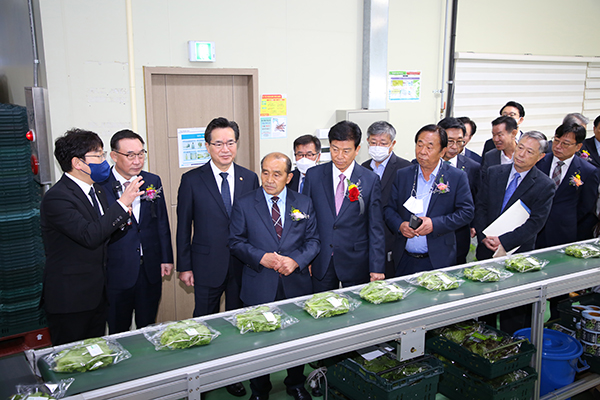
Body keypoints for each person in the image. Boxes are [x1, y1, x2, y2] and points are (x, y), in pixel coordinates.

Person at [176, 117, 258, 398]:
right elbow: (183, 225)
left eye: (231, 142)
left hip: (242, 265)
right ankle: (201, 375)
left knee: (236, 322)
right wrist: (184, 265)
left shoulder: (250, 178)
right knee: (204, 320)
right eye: (219, 143)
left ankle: (231, 374)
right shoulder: (191, 180)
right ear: (207, 146)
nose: (225, 149)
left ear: (237, 143)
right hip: (205, 264)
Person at [40, 128, 143, 345]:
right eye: (98, 155)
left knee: (96, 356)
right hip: (71, 299)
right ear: (78, 163)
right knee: (73, 360)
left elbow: (105, 232)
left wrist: (123, 220)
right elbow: (89, 235)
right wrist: (123, 204)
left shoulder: (94, 191)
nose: (104, 161)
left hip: (97, 294)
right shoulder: (57, 198)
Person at [229, 152, 319, 400]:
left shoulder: (304, 203)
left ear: (289, 177)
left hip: (295, 282)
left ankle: (295, 384)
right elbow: (235, 242)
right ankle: (259, 389)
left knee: (296, 339)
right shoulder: (245, 203)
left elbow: (313, 241)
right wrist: (261, 257)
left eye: (277, 174)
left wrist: (297, 261)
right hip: (260, 282)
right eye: (265, 172)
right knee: (259, 342)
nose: (269, 179)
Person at [101, 129, 174, 334]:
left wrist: (166, 258)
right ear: (114, 156)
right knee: (118, 327)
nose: (137, 160)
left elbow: (161, 222)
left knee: (147, 325)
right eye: (130, 155)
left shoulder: (152, 181)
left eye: (141, 154)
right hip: (117, 270)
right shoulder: (101, 185)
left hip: (149, 267)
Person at [303, 120, 385, 291]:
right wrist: (306, 258)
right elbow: (306, 221)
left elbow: (376, 227)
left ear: (357, 150)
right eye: (334, 149)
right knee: (321, 309)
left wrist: (376, 267)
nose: (339, 156)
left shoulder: (370, 180)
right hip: (321, 259)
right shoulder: (314, 176)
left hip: (356, 261)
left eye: (346, 151)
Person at [384, 124, 474, 275]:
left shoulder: (456, 177)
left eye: (429, 147)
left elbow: (466, 212)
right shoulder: (403, 175)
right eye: (419, 145)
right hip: (404, 258)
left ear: (442, 151)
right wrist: (400, 225)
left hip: (438, 259)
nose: (422, 152)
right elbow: (388, 209)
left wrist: (435, 224)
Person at [474, 131, 555, 261]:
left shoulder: (545, 185)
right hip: (486, 246)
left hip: (517, 250)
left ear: (540, 157)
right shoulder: (494, 172)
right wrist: (483, 235)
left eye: (529, 152)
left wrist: (504, 241)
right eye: (520, 147)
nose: (521, 154)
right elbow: (481, 205)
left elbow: (535, 222)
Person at [361, 121, 412, 277]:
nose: (377, 147)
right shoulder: (363, 168)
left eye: (383, 143)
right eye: (373, 143)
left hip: (393, 237)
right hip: (367, 239)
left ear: (392, 144)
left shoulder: (405, 168)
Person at [536, 123, 599, 248]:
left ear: (578, 147)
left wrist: (566, 217)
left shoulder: (588, 171)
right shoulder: (539, 162)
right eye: (556, 140)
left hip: (564, 231)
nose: (558, 147)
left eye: (565, 144)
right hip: (535, 228)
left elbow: (586, 205)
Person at [438, 117, 480, 265]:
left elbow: (476, 199)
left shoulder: (473, 167)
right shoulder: (422, 165)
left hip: (459, 236)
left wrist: (474, 225)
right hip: (432, 236)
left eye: (460, 141)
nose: (455, 146)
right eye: (450, 141)